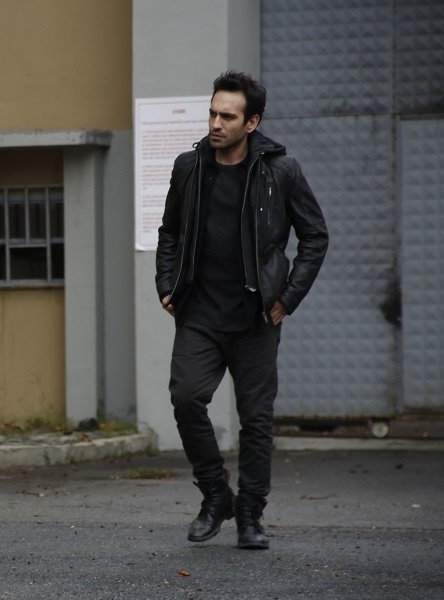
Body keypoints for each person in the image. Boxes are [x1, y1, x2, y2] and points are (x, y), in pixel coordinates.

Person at [155, 71, 328, 550]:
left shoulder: (281, 171)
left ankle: (250, 514)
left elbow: (315, 236)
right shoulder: (189, 167)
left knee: (256, 419)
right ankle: (216, 495)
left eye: (227, 117)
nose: (216, 123)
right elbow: (170, 232)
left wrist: (287, 298)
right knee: (186, 398)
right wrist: (166, 286)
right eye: (212, 113)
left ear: (251, 122)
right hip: (199, 313)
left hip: (256, 317)